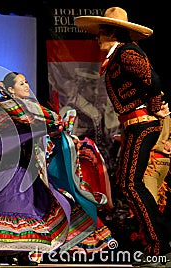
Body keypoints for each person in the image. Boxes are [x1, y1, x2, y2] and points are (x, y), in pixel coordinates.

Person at [0, 72, 112, 265]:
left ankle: (23, 253)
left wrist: (63, 135)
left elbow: (53, 124)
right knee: (0, 208)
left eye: (27, 82)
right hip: (1, 171)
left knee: (29, 210)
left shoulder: (34, 112)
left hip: (23, 172)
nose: (26, 86)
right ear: (10, 89)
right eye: (21, 83)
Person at [75, 7, 171, 264]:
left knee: (130, 184)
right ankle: (159, 244)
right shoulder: (117, 56)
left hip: (143, 124)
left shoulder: (127, 52)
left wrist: (155, 111)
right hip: (133, 126)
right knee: (127, 184)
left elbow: (153, 81)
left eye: (101, 33)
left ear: (112, 32)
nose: (97, 39)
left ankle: (159, 246)